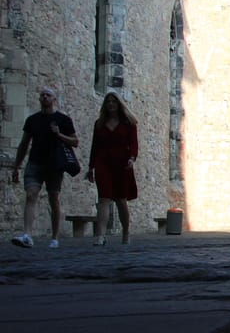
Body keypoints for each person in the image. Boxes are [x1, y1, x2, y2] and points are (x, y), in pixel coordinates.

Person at [10, 88, 79, 249]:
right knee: (31, 194)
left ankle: (55, 237)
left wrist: (59, 134)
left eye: (48, 95)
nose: (45, 97)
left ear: (54, 99)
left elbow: (75, 142)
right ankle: (27, 235)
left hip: (54, 165)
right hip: (35, 162)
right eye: (42, 95)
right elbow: (24, 143)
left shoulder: (63, 120)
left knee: (53, 198)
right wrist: (16, 166)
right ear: (40, 99)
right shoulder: (32, 120)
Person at [86, 92, 138, 246]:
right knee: (103, 198)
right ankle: (100, 236)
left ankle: (126, 232)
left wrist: (132, 158)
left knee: (121, 200)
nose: (111, 104)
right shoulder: (99, 124)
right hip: (103, 163)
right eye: (108, 102)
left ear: (119, 104)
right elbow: (95, 146)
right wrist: (91, 167)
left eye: (114, 101)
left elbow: (134, 144)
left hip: (122, 164)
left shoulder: (129, 123)